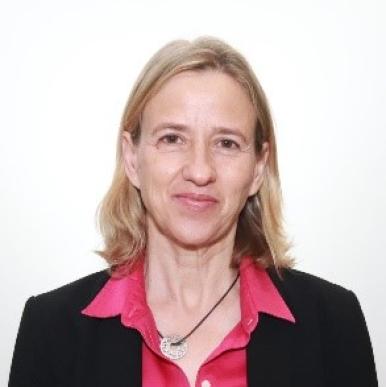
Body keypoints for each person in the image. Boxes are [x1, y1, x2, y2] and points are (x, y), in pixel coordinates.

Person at [9, 36, 378, 387]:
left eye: (227, 143)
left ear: (258, 168)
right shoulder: (51, 329)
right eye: (172, 138)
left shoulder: (333, 324)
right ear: (133, 158)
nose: (200, 170)